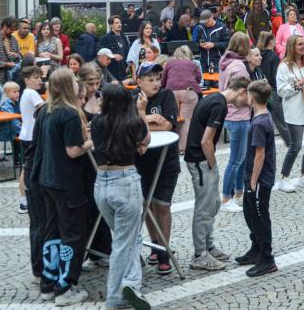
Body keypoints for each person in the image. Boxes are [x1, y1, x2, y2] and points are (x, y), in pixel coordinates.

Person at [31, 68, 93, 305]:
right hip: (66, 181)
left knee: (53, 231)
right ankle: (65, 287)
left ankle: (48, 283)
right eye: (74, 81)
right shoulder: (69, 113)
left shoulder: (47, 111)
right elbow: (73, 151)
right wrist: (90, 142)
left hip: (47, 179)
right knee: (72, 234)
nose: (78, 84)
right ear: (68, 86)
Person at [90, 83, 152, 309]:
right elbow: (146, 140)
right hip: (125, 181)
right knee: (123, 243)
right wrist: (142, 111)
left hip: (101, 184)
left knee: (128, 237)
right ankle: (118, 292)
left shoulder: (97, 122)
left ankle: (131, 284)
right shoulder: (131, 122)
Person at [184, 75, 250, 271]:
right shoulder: (219, 105)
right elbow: (206, 141)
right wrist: (213, 165)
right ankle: (199, 254)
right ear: (242, 92)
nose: (246, 105)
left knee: (212, 203)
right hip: (200, 160)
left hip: (200, 159)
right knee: (204, 207)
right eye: (247, 100)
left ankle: (208, 246)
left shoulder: (215, 99)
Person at [135, 62, 180, 276]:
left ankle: (164, 252)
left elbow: (168, 125)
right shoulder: (133, 99)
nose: (155, 83)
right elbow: (129, 126)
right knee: (147, 206)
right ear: (139, 81)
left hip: (166, 161)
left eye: (157, 79)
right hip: (142, 161)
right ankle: (154, 245)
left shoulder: (166, 95)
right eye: (150, 79)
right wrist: (147, 117)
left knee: (162, 206)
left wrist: (141, 122)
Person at [236, 79, 278, 277]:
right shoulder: (261, 117)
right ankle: (256, 250)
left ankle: (267, 259)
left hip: (260, 179)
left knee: (260, 217)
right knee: (249, 212)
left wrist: (253, 181)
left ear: (252, 97)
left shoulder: (260, 123)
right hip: (254, 177)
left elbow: (260, 155)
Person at [276, 35, 304, 192]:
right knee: (296, 145)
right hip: (294, 109)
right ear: (292, 47)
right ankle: (284, 178)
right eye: (299, 44)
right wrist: (297, 84)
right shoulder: (284, 67)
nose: (303, 47)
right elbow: (281, 91)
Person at [218, 32, 253, 211]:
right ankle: (226, 197)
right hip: (239, 114)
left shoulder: (226, 61)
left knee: (240, 158)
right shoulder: (239, 67)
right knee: (236, 160)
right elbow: (242, 94)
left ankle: (239, 192)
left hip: (230, 113)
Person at [160, 45, 202, 154]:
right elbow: (198, 79)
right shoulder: (193, 64)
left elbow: (163, 80)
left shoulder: (169, 63)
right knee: (186, 120)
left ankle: (172, 146)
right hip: (189, 91)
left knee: (173, 119)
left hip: (171, 92)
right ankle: (183, 148)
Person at [17, 66, 45, 214]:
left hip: (27, 134)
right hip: (30, 136)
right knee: (28, 168)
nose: (39, 80)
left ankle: (25, 199)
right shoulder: (31, 93)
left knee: (27, 167)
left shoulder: (27, 93)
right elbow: (44, 108)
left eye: (40, 77)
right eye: (36, 78)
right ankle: (24, 201)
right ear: (27, 80)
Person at [257, 31, 291, 146]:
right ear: (270, 42)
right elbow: (276, 76)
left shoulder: (257, 55)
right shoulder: (273, 57)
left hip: (259, 89)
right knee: (280, 120)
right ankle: (290, 142)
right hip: (272, 90)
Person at [98, 15, 130, 82]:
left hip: (124, 71)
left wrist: (128, 65)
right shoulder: (105, 38)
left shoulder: (124, 38)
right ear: (111, 25)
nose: (119, 24)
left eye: (120, 23)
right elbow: (99, 52)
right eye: (117, 23)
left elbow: (128, 52)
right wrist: (113, 55)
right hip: (111, 71)